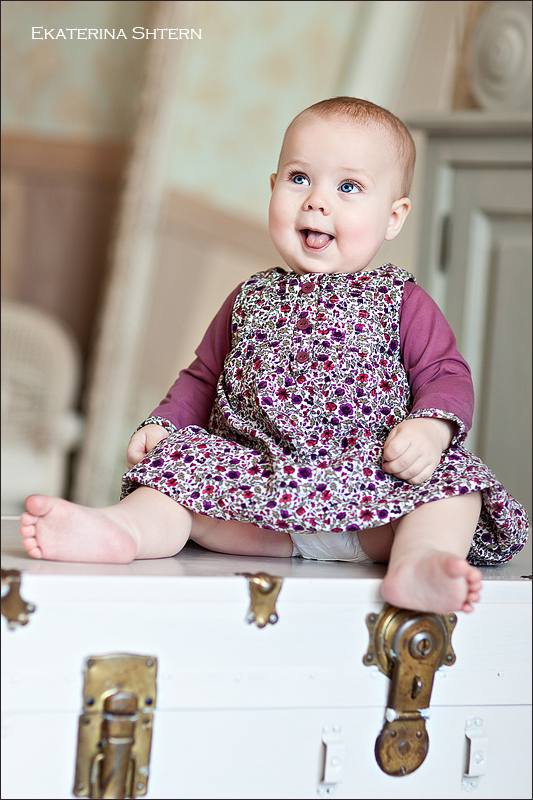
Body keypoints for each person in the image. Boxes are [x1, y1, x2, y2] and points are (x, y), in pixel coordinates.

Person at [20, 97, 528, 615]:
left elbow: (445, 373)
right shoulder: (249, 298)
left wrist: (431, 428)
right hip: (257, 498)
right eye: (299, 178)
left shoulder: (402, 300)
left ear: (393, 217)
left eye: (348, 187)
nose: (317, 202)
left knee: (457, 485)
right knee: (175, 471)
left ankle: (419, 562)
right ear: (273, 187)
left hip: (375, 497)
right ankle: (121, 530)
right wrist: (165, 425)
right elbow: (203, 378)